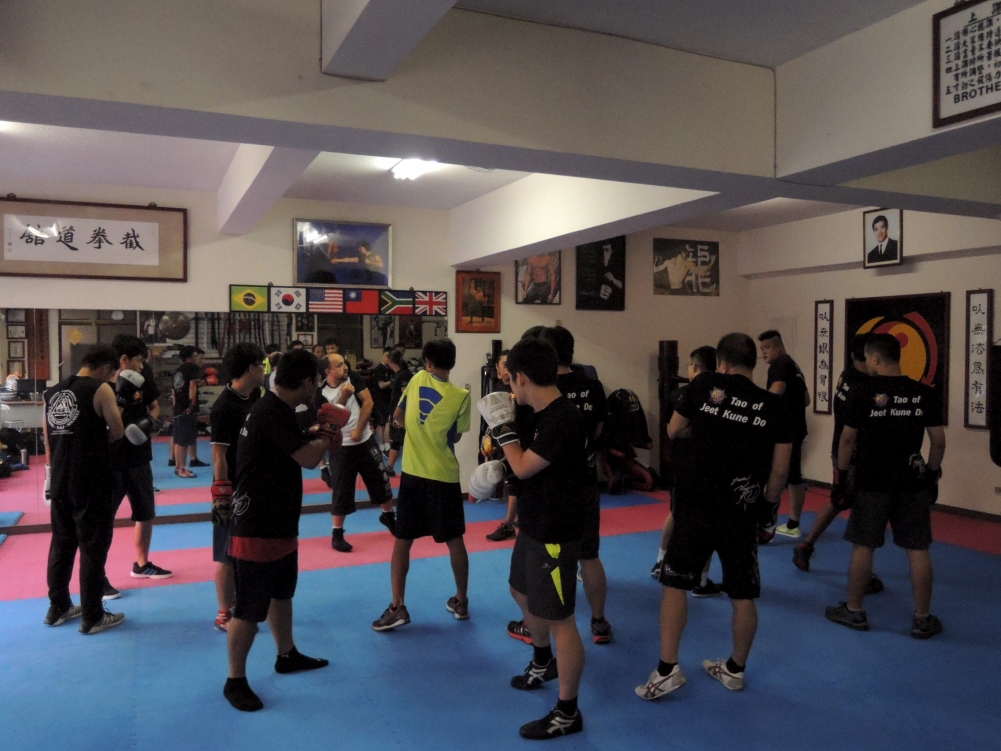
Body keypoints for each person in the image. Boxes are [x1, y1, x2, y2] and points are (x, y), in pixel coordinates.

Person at [636, 333, 790, 700]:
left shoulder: (705, 384)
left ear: (722, 363)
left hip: (696, 505)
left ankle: (667, 670)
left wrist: (705, 430)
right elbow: (780, 471)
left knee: (675, 585)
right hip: (741, 510)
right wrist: (767, 511)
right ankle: (735, 670)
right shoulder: (775, 405)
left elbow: (674, 429)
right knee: (742, 594)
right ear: (753, 363)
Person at [223, 348, 347, 712]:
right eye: (317, 381)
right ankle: (234, 681)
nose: (318, 387)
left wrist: (314, 432)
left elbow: (289, 445)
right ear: (307, 382)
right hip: (256, 526)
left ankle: (286, 654)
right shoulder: (271, 411)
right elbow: (308, 458)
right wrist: (327, 432)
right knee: (249, 610)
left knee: (281, 593)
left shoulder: (276, 409)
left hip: (278, 521)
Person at [478, 336, 589, 740]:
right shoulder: (533, 414)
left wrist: (503, 433)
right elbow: (515, 465)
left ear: (522, 377)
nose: (509, 388)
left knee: (561, 620)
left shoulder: (564, 418)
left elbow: (524, 465)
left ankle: (567, 712)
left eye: (510, 380)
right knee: (520, 590)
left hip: (556, 530)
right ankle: (543, 660)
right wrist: (493, 467)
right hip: (534, 522)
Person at [824, 334, 945, 639]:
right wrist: (931, 475)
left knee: (863, 546)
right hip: (912, 480)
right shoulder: (923, 393)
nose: (867, 363)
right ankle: (922, 618)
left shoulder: (862, 391)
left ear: (875, 358)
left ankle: (854, 610)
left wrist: (840, 478)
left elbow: (847, 439)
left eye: (867, 358)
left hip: (872, 480)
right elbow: (938, 441)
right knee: (918, 549)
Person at [371, 339, 471, 632]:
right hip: (444, 477)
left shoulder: (416, 380)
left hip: (413, 475)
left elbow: (398, 416)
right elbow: (456, 437)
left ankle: (397, 607)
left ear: (427, 362)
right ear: (452, 362)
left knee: (403, 540)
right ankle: (461, 600)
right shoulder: (462, 396)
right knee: (454, 539)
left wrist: (414, 431)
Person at [43, 344, 126, 635]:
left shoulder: (52, 392)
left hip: (60, 477)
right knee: (92, 548)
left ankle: (58, 607)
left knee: (62, 545)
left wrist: (50, 476)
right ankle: (92, 616)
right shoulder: (100, 389)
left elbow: (48, 438)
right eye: (112, 374)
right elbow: (117, 431)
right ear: (106, 368)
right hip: (91, 479)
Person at [794, 333, 885, 598]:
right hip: (852, 454)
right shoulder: (861, 385)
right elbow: (852, 432)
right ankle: (862, 574)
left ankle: (806, 545)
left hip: (846, 453)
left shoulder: (847, 375)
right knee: (861, 509)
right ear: (861, 357)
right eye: (870, 357)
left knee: (839, 501)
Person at [651, 346, 724, 598]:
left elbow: (671, 431)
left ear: (694, 367)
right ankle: (697, 579)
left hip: (688, 468)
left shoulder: (685, 393)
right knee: (704, 523)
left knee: (678, 514)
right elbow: (674, 430)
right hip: (705, 469)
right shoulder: (717, 395)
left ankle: (663, 562)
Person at [312, 353, 395, 552]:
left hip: (365, 440)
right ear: (328, 371)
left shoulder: (353, 379)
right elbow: (327, 422)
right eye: (339, 365)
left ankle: (389, 517)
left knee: (380, 480)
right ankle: (337, 533)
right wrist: (343, 397)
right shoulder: (321, 394)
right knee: (342, 491)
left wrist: (359, 428)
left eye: (344, 363)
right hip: (341, 447)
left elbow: (368, 402)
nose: (345, 367)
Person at [209, 342, 265, 632]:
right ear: (250, 369)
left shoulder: (254, 396)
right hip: (232, 488)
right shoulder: (224, 407)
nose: (265, 370)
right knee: (226, 553)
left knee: (247, 549)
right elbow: (218, 454)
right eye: (262, 365)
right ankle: (223, 613)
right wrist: (222, 495)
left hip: (252, 483)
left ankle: (243, 601)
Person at [109, 335, 172, 587]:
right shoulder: (104, 385)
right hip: (112, 460)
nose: (142, 365)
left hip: (139, 456)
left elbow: (155, 406)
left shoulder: (142, 380)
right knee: (103, 518)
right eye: (138, 360)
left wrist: (149, 423)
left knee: (145, 512)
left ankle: (142, 563)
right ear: (124, 360)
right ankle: (97, 574)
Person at [758, 330, 810, 538]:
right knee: (794, 476)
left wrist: (757, 408)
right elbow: (806, 399)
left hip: (784, 431)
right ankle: (793, 524)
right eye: (761, 349)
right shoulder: (793, 365)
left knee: (775, 474)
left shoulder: (779, 364)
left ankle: (766, 521)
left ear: (779, 347)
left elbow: (777, 390)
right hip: (797, 428)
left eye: (767, 347)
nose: (763, 352)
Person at [485, 350, 519, 542]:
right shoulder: (498, 389)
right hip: (505, 442)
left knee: (514, 485)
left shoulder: (521, 388)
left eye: (510, 365)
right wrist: (488, 440)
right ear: (497, 370)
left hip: (521, 443)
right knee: (513, 484)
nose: (507, 370)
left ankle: (508, 525)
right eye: (503, 366)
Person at [170, 345, 205, 478]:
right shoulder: (193, 368)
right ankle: (181, 469)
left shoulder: (177, 370)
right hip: (186, 407)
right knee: (184, 441)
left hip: (178, 407)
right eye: (195, 356)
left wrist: (175, 407)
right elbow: (192, 386)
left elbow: (173, 392)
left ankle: (178, 467)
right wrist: (191, 405)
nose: (197, 358)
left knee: (179, 440)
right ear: (190, 357)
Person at [385, 350, 412, 475]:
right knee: (395, 442)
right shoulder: (398, 374)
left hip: (400, 414)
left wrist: (402, 416)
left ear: (391, 361)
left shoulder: (404, 375)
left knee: (404, 442)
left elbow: (407, 394)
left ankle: (408, 469)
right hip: (396, 413)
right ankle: (389, 469)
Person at [371, 346, 394, 451]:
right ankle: (383, 445)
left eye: (390, 356)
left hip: (388, 399)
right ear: (383, 355)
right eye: (386, 356)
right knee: (383, 423)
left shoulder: (390, 369)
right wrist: (392, 381)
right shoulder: (379, 369)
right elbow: (381, 385)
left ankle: (386, 445)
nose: (388, 358)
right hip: (380, 400)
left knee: (387, 422)